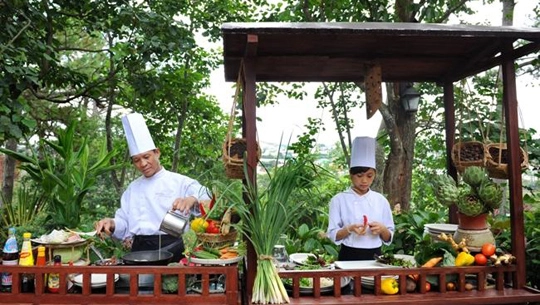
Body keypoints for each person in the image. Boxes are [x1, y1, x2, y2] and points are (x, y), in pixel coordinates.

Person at [95, 113, 209, 263]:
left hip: (174, 247)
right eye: (137, 160)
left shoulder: (180, 181)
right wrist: (112, 223)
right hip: (139, 250)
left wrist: (191, 199)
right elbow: (124, 222)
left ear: (157, 152)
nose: (142, 164)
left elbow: (208, 196)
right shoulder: (133, 188)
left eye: (146, 157)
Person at [327, 136, 394, 261]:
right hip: (348, 255)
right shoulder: (339, 200)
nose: (364, 180)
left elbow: (388, 237)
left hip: (376, 257)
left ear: (374, 175)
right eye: (359, 175)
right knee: (348, 281)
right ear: (351, 175)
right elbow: (332, 235)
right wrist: (349, 229)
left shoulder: (380, 201)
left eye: (369, 176)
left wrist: (382, 229)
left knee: (374, 281)